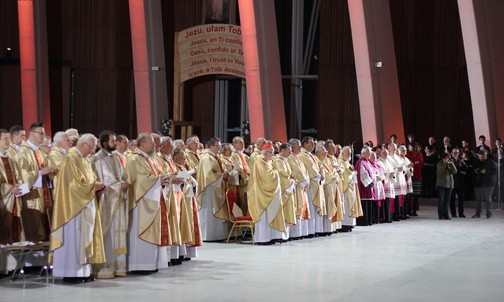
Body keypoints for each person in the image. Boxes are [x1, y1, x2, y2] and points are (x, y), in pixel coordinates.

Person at [50, 134, 105, 283]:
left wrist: (97, 185)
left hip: (85, 204)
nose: (93, 151)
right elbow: (73, 185)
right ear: (83, 145)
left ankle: (84, 272)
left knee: (84, 238)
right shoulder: (71, 158)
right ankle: (70, 273)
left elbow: (88, 179)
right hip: (72, 208)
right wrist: (93, 186)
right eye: (92, 147)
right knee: (74, 239)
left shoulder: (83, 159)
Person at [125, 133, 172, 274]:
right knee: (140, 233)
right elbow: (139, 180)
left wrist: (164, 178)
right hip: (141, 202)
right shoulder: (134, 159)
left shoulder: (149, 159)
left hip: (152, 199)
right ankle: (139, 265)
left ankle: (150, 264)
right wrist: (158, 180)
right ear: (142, 143)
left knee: (153, 231)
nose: (155, 145)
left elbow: (157, 174)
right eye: (151, 142)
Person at [92, 131, 129, 278]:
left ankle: (119, 268)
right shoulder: (97, 158)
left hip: (118, 201)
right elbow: (104, 179)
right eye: (113, 141)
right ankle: (105, 269)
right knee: (109, 235)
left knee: (119, 234)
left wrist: (125, 183)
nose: (115, 143)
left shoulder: (115, 157)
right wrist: (120, 186)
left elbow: (122, 174)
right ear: (104, 143)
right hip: (106, 201)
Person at [15, 122, 53, 242]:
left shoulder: (40, 152)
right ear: (31, 134)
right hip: (32, 197)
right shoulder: (23, 151)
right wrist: (41, 173)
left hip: (45, 194)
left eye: (44, 133)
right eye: (41, 133)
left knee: (47, 227)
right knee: (35, 228)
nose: (43, 136)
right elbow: (22, 174)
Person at [247, 143, 285, 244]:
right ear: (265, 152)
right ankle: (262, 239)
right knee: (263, 217)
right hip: (261, 193)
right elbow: (267, 178)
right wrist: (277, 173)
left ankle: (271, 237)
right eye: (271, 153)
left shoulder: (267, 161)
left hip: (267, 193)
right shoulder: (260, 162)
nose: (273, 155)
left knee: (270, 214)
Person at [196, 137, 230, 241]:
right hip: (209, 188)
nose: (219, 148)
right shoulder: (206, 158)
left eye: (219, 145)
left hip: (215, 187)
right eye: (217, 146)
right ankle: (208, 236)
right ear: (211, 146)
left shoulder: (214, 157)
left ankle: (217, 235)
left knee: (214, 211)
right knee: (208, 212)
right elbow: (208, 175)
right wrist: (222, 175)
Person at [0, 128, 24, 244]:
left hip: (14, 199)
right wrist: (10, 188)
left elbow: (17, 176)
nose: (8, 141)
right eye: (5, 139)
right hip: (3, 201)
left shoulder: (10, 159)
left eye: (9, 138)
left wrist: (19, 185)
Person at [298, 136, 326, 236]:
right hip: (310, 185)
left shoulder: (313, 156)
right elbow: (311, 168)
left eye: (314, 143)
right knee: (310, 206)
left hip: (317, 183)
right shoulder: (302, 155)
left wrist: (322, 174)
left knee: (315, 209)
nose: (313, 145)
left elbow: (321, 165)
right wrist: (319, 176)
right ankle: (310, 230)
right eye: (311, 143)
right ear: (305, 144)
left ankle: (316, 229)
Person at [273, 143, 297, 240]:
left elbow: (288, 172)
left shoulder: (285, 161)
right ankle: (279, 235)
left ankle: (285, 235)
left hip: (288, 188)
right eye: (289, 150)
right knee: (282, 211)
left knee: (287, 210)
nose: (291, 152)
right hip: (283, 189)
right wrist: (291, 179)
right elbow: (281, 172)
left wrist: (292, 175)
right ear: (282, 150)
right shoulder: (278, 161)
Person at [287, 139, 310, 239]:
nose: (300, 148)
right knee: (297, 207)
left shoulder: (298, 157)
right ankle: (294, 234)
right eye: (298, 146)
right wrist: (304, 181)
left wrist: (307, 179)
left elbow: (305, 170)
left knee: (302, 207)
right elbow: (296, 170)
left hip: (302, 187)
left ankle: (301, 232)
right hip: (296, 186)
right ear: (292, 147)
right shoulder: (291, 158)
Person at [338, 146, 363, 231]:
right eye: (347, 152)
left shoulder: (348, 163)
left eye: (350, 153)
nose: (349, 154)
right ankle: (345, 225)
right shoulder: (340, 162)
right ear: (342, 153)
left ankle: (351, 224)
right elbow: (344, 174)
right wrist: (352, 173)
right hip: (345, 189)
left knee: (351, 204)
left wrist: (353, 173)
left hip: (351, 188)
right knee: (346, 205)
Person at [355, 146, 375, 226]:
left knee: (369, 203)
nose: (370, 154)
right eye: (368, 152)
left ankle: (369, 220)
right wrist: (369, 182)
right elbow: (363, 174)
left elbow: (372, 172)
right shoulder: (360, 162)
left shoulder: (367, 162)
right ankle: (363, 221)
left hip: (369, 185)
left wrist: (373, 180)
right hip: (364, 186)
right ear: (363, 153)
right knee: (364, 203)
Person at [472, 150, 496, 218]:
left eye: (482, 157)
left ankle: (488, 214)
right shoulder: (477, 161)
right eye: (480, 157)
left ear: (486, 155)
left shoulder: (490, 161)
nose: (481, 158)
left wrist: (486, 171)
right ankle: (478, 214)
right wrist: (477, 170)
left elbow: (494, 171)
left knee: (488, 199)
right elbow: (473, 170)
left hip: (488, 184)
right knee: (479, 199)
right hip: (478, 184)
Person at [231, 136, 250, 216]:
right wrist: (244, 177)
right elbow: (236, 168)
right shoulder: (233, 155)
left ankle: (246, 222)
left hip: (248, 182)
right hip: (239, 183)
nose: (243, 144)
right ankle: (240, 222)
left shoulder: (245, 156)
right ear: (234, 144)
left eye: (243, 143)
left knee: (247, 202)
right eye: (240, 143)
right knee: (240, 202)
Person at [436, 152, 457, 220]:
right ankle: (441, 215)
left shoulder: (450, 163)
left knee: (447, 201)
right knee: (441, 201)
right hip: (441, 185)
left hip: (449, 184)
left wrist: (452, 164)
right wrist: (445, 164)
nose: (447, 159)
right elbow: (440, 171)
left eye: (448, 158)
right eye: (446, 158)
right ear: (443, 158)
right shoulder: (439, 163)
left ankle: (446, 215)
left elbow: (454, 171)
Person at [450, 147, 468, 218]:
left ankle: (461, 213)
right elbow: (453, 171)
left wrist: (463, 162)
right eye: (454, 153)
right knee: (452, 199)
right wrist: (460, 171)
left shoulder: (461, 160)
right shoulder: (450, 160)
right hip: (452, 182)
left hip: (460, 182)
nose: (456, 154)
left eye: (457, 153)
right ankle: (453, 213)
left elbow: (466, 168)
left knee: (461, 199)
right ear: (451, 153)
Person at [407, 143, 423, 216]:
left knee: (416, 194)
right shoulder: (407, 154)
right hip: (409, 176)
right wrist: (414, 162)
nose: (409, 147)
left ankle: (414, 210)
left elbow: (421, 163)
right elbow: (407, 163)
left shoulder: (419, 154)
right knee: (410, 194)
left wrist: (414, 163)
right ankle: (409, 210)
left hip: (417, 175)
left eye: (410, 146)